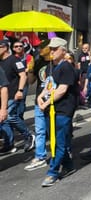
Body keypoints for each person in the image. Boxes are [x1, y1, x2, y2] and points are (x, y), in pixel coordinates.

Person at [37, 37, 78, 187]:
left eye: (55, 49)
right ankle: (69, 165)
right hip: (51, 109)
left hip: (62, 110)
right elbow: (49, 85)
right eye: (51, 49)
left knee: (57, 143)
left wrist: (46, 102)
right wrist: (40, 97)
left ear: (63, 50)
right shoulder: (52, 66)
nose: (52, 51)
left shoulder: (66, 67)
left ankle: (53, 172)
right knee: (56, 140)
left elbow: (62, 89)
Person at [0, 39, 34, 154]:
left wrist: (20, 91)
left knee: (10, 117)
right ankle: (9, 144)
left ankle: (29, 136)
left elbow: (23, 75)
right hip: (3, 95)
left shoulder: (14, 60)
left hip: (13, 94)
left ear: (5, 48)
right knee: (3, 120)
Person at [24, 40, 52, 170]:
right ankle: (40, 156)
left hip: (53, 101)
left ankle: (60, 153)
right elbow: (31, 81)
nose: (39, 49)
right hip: (38, 101)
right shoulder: (38, 61)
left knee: (54, 130)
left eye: (42, 47)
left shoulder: (55, 62)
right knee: (40, 131)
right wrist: (30, 70)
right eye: (39, 47)